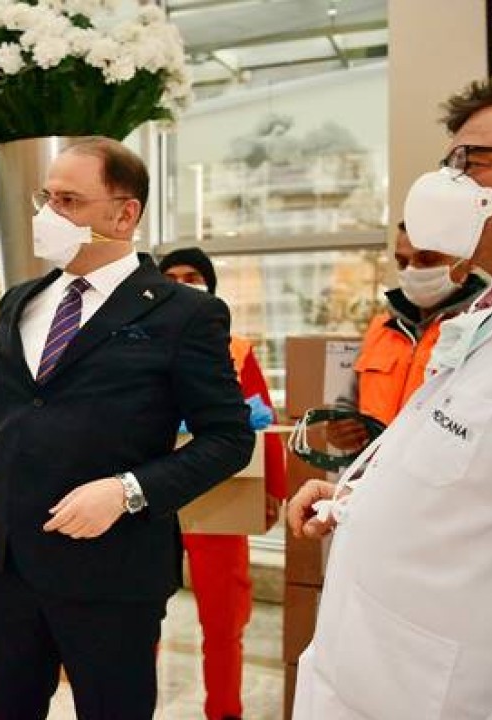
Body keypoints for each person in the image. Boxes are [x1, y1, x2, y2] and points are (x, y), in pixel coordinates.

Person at [289, 66, 492, 718]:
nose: (447, 183)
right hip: (366, 682)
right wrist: (366, 500)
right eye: (448, 164)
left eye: (473, 163)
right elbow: (484, 477)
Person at [0, 137, 254, 719]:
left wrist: (126, 491)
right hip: (7, 567)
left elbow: (228, 438)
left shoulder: (183, 313)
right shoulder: (20, 301)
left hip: (111, 575)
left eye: (69, 201)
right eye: (46, 198)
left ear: (124, 214)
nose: (49, 214)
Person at [158, 247, 285, 720]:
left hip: (221, 495)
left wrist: (271, 491)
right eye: (171, 277)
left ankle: (225, 711)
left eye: (192, 276)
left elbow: (265, 423)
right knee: (139, 617)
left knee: (224, 619)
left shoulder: (237, 350)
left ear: (210, 286)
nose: (182, 284)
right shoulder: (136, 346)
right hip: (152, 499)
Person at [328, 221, 487, 450]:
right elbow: (346, 407)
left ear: (468, 259)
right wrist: (339, 430)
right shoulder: (382, 328)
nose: (412, 270)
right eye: (402, 262)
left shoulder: (485, 326)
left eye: (427, 259)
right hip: (372, 469)